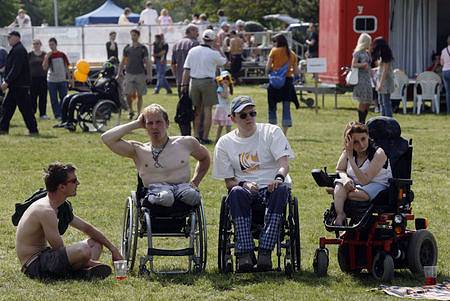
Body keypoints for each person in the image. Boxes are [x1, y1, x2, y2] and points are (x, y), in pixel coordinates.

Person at [212, 95, 295, 271]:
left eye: (252, 113)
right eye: (243, 115)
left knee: (282, 189)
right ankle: (244, 252)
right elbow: (229, 181)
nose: (249, 118)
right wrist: (243, 184)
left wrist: (278, 178)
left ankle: (265, 250)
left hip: (271, 187)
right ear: (233, 118)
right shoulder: (224, 144)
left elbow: (284, 164)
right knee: (235, 192)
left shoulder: (271, 132)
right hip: (245, 190)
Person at [15, 162, 123, 280]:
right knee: (84, 249)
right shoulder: (45, 210)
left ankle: (80, 272)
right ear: (62, 187)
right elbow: (59, 249)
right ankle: (80, 272)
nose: (78, 183)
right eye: (74, 181)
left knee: (95, 244)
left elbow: (87, 228)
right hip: (34, 265)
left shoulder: (59, 206)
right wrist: (90, 262)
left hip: (46, 257)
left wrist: (113, 249)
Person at [101, 103, 210, 208]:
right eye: (150, 123)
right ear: (145, 126)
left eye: (158, 122)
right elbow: (106, 138)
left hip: (183, 189)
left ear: (167, 123)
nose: (154, 127)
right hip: (156, 192)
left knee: (193, 195)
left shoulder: (186, 143)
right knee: (166, 197)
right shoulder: (138, 150)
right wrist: (136, 123)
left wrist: (195, 181)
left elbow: (204, 158)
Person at [331, 121, 392, 226]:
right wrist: (345, 179)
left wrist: (350, 158)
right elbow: (340, 169)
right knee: (340, 185)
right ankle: (340, 214)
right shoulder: (347, 151)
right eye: (355, 142)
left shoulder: (379, 153)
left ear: (368, 136)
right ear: (348, 141)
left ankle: (339, 195)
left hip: (376, 184)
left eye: (363, 139)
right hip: (354, 184)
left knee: (350, 193)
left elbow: (365, 180)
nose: (361, 144)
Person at [181, 29, 227, 144]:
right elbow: (224, 62)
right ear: (213, 40)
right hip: (208, 82)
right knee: (207, 110)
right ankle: (205, 137)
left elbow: (186, 69)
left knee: (197, 110)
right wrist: (218, 48)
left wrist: (184, 85)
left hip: (194, 82)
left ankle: (196, 135)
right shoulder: (213, 53)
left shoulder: (192, 51)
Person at [55, 61, 119, 132]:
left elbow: (108, 95)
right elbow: (92, 90)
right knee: (67, 97)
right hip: (94, 95)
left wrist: (96, 90)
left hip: (99, 98)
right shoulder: (101, 79)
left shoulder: (111, 81)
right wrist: (75, 89)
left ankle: (71, 123)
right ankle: (64, 121)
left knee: (74, 99)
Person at [0, 31, 38, 135]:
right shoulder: (16, 49)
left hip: (19, 85)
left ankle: (33, 129)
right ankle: (3, 129)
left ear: (17, 37)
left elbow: (16, 68)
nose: (8, 39)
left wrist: (7, 81)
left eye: (10, 37)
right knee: (7, 107)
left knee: (25, 109)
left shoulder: (19, 50)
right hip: (16, 85)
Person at [265, 34, 300, 136]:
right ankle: (284, 133)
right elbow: (296, 71)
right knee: (286, 107)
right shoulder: (292, 54)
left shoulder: (274, 51)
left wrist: (272, 70)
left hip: (275, 81)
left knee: (272, 106)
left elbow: (267, 67)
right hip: (287, 82)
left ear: (277, 42)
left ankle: (273, 130)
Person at [117, 28, 152, 120]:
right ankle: (131, 110)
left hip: (140, 73)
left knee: (140, 94)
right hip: (129, 73)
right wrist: (119, 72)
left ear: (138, 36)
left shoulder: (143, 48)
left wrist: (149, 74)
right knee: (128, 93)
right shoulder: (127, 48)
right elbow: (122, 61)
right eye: (132, 35)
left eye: (134, 35)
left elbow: (147, 62)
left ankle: (139, 113)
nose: (133, 37)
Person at [43, 37, 70, 120]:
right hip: (51, 80)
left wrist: (69, 78)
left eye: (52, 44)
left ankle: (63, 113)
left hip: (62, 80)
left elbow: (66, 67)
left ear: (56, 44)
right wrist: (47, 58)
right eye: (50, 45)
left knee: (64, 98)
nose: (51, 46)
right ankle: (57, 115)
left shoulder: (62, 54)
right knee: (53, 99)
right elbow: (44, 67)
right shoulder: (48, 55)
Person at [171, 25, 199, 96]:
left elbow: (173, 64)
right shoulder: (194, 43)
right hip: (192, 79)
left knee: (182, 104)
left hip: (180, 79)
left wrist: (176, 76)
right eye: (196, 31)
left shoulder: (176, 44)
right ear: (191, 31)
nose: (198, 34)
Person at [352, 33, 373, 124]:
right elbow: (353, 64)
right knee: (363, 100)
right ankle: (361, 121)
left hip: (367, 78)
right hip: (361, 78)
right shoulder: (357, 53)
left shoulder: (367, 52)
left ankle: (364, 119)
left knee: (368, 100)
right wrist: (362, 65)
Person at [372, 38, 395, 117]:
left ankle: (389, 120)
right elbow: (381, 69)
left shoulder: (386, 57)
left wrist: (380, 84)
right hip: (381, 81)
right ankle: (383, 119)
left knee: (386, 102)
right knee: (381, 102)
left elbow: (385, 71)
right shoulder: (381, 56)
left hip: (385, 82)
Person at [28, 39, 48, 120]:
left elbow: (48, 65)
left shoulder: (45, 54)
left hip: (43, 78)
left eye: (37, 44)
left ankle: (43, 114)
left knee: (43, 97)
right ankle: (32, 112)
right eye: (34, 44)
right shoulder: (29, 54)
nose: (36, 45)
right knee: (33, 97)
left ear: (40, 44)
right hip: (32, 79)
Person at [212, 71, 233, 142]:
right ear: (220, 80)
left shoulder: (227, 88)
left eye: (227, 79)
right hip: (221, 108)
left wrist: (226, 88)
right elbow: (225, 96)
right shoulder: (220, 89)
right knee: (224, 124)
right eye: (223, 79)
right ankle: (218, 138)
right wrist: (225, 88)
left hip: (226, 108)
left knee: (227, 124)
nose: (225, 80)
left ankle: (229, 139)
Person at [441, 34, 450, 114]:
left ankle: (448, 110)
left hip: (445, 71)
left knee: (448, 92)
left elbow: (441, 62)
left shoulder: (444, 50)